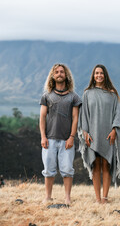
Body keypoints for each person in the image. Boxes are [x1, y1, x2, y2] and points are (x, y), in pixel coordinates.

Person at [78, 64, 120, 204]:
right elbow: (84, 116)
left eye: (101, 73)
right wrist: (85, 133)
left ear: (105, 75)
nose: (99, 75)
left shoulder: (112, 94)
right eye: (96, 73)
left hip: (108, 135)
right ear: (93, 76)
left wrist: (114, 130)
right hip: (92, 135)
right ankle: (98, 198)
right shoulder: (87, 93)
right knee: (95, 165)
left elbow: (117, 114)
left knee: (106, 165)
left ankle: (105, 198)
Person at [39, 63, 81, 204]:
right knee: (49, 169)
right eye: (56, 72)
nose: (59, 74)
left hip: (66, 140)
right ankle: (48, 196)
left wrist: (71, 137)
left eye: (62, 72)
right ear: (52, 75)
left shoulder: (73, 97)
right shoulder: (47, 96)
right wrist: (43, 137)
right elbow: (42, 117)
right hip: (49, 139)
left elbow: (76, 118)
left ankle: (67, 198)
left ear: (66, 75)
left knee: (67, 169)